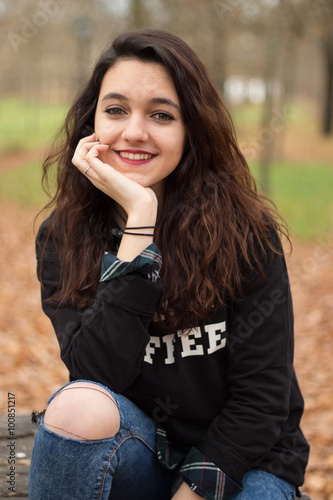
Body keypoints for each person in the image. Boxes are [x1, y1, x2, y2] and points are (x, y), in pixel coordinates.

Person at [28, 29, 309, 500]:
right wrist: (139, 225)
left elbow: (262, 402)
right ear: (91, 122)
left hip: (245, 460)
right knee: (76, 406)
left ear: (190, 129)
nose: (134, 131)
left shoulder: (246, 233)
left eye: (161, 114)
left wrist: (194, 489)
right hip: (140, 452)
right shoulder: (63, 237)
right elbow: (97, 379)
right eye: (115, 110)